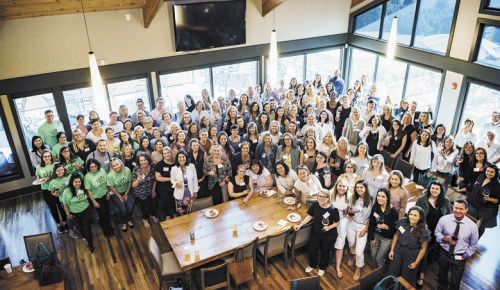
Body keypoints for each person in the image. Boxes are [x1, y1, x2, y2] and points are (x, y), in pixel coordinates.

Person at [293, 191, 340, 277]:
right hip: (316, 233)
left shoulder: (333, 209)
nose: (321, 198)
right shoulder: (314, 205)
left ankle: (322, 267)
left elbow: (337, 222)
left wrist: (329, 227)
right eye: (319, 196)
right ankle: (312, 265)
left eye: (324, 196)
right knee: (312, 250)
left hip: (329, 235)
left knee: (325, 252)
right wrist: (300, 225)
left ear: (328, 198)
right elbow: (309, 216)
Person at [435, 199, 479, 290]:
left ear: (466, 210)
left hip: (459, 257)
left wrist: (465, 256)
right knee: (442, 277)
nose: (458, 211)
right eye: (456, 208)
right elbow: (437, 233)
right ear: (452, 207)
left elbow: (473, 246)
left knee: (455, 282)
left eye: (461, 209)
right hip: (444, 253)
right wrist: (444, 238)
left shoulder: (473, 227)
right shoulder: (444, 219)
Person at [415, 181, 452, 287]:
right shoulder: (422, 200)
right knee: (424, 253)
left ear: (441, 191)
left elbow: (448, 217)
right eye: (432, 188)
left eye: (437, 189)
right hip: (424, 232)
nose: (434, 191)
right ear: (429, 188)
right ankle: (421, 275)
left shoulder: (446, 201)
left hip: (439, 233)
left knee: (431, 252)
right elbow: (417, 215)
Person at [388, 206, 431, 287]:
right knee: (393, 272)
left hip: (412, 255)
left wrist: (416, 263)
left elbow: (423, 249)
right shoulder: (402, 222)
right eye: (410, 214)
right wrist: (392, 250)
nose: (412, 217)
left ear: (420, 217)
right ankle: (391, 287)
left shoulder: (424, 231)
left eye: (415, 215)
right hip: (398, 250)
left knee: (407, 277)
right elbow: (396, 236)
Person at [63, 173, 99, 253]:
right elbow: (65, 204)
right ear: (71, 182)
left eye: (79, 181)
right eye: (75, 182)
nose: (78, 183)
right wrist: (68, 214)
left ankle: (90, 246)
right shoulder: (67, 192)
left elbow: (89, 193)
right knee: (80, 229)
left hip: (86, 211)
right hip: (75, 214)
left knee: (87, 229)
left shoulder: (83, 187)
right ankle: (85, 238)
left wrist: (94, 202)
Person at [346, 180, 373, 281]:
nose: (359, 189)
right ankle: (352, 255)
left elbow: (371, 217)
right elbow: (348, 210)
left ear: (365, 188)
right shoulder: (352, 198)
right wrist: (349, 213)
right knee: (351, 243)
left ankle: (358, 268)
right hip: (352, 224)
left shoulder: (371, 200)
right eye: (357, 187)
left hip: (363, 226)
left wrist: (365, 229)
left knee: (359, 251)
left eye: (361, 187)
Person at [36, 149, 68, 233]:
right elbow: (38, 178)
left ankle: (65, 222)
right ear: (42, 157)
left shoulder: (55, 165)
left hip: (57, 189)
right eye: (45, 156)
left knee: (61, 206)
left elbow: (60, 174)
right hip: (46, 190)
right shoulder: (38, 167)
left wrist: (49, 178)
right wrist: (41, 180)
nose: (47, 158)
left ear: (51, 157)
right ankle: (58, 224)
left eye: (49, 156)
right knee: (53, 208)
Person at [368, 188, 398, 268]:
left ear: (387, 198)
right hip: (375, 235)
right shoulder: (375, 207)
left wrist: (386, 227)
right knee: (373, 256)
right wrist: (371, 238)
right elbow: (371, 223)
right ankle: (375, 271)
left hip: (386, 238)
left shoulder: (393, 212)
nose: (380, 198)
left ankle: (380, 272)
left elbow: (394, 230)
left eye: (383, 196)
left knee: (379, 258)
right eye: (378, 196)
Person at [84, 159, 114, 236]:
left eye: (95, 166)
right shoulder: (87, 177)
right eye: (91, 167)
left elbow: (107, 182)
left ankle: (104, 225)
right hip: (97, 199)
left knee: (106, 213)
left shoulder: (102, 171)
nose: (93, 168)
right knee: (103, 215)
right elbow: (89, 191)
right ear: (88, 167)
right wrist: (94, 202)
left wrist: (108, 193)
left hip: (106, 196)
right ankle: (107, 231)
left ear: (97, 166)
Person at [468, 163, 499, 238]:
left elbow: (498, 201)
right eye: (487, 171)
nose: (489, 173)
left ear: (495, 173)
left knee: (480, 227)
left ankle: (474, 241)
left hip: (485, 210)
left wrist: (489, 199)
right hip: (473, 205)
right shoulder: (481, 176)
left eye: (492, 172)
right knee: (468, 223)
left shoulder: (497, 185)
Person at [330, 178, 352, 279]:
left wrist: (347, 213)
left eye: (344, 186)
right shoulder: (331, 193)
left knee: (340, 243)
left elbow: (351, 212)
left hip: (343, 221)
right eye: (340, 185)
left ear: (347, 188)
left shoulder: (350, 196)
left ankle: (338, 267)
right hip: (330, 219)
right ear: (336, 186)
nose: (342, 188)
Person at [107, 158, 134, 232]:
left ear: (121, 163)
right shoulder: (110, 175)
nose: (116, 166)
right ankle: (123, 222)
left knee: (130, 207)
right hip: (116, 193)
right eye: (113, 165)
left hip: (126, 191)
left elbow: (129, 182)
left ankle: (128, 219)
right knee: (122, 209)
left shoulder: (127, 170)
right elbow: (112, 187)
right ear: (111, 167)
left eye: (117, 164)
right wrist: (119, 196)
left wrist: (126, 194)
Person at [47, 163, 70, 234]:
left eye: (62, 170)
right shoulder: (53, 182)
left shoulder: (69, 177)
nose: (60, 172)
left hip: (73, 200)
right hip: (64, 202)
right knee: (69, 215)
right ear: (55, 172)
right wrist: (54, 194)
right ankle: (71, 229)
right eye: (58, 171)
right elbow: (52, 192)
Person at [155, 147, 176, 220]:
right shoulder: (159, 164)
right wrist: (170, 179)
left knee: (174, 201)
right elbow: (158, 178)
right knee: (166, 202)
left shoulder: (176, 162)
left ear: (171, 153)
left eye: (168, 153)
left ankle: (174, 213)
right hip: (163, 188)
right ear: (163, 155)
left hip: (175, 187)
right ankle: (168, 215)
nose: (167, 154)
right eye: (165, 153)